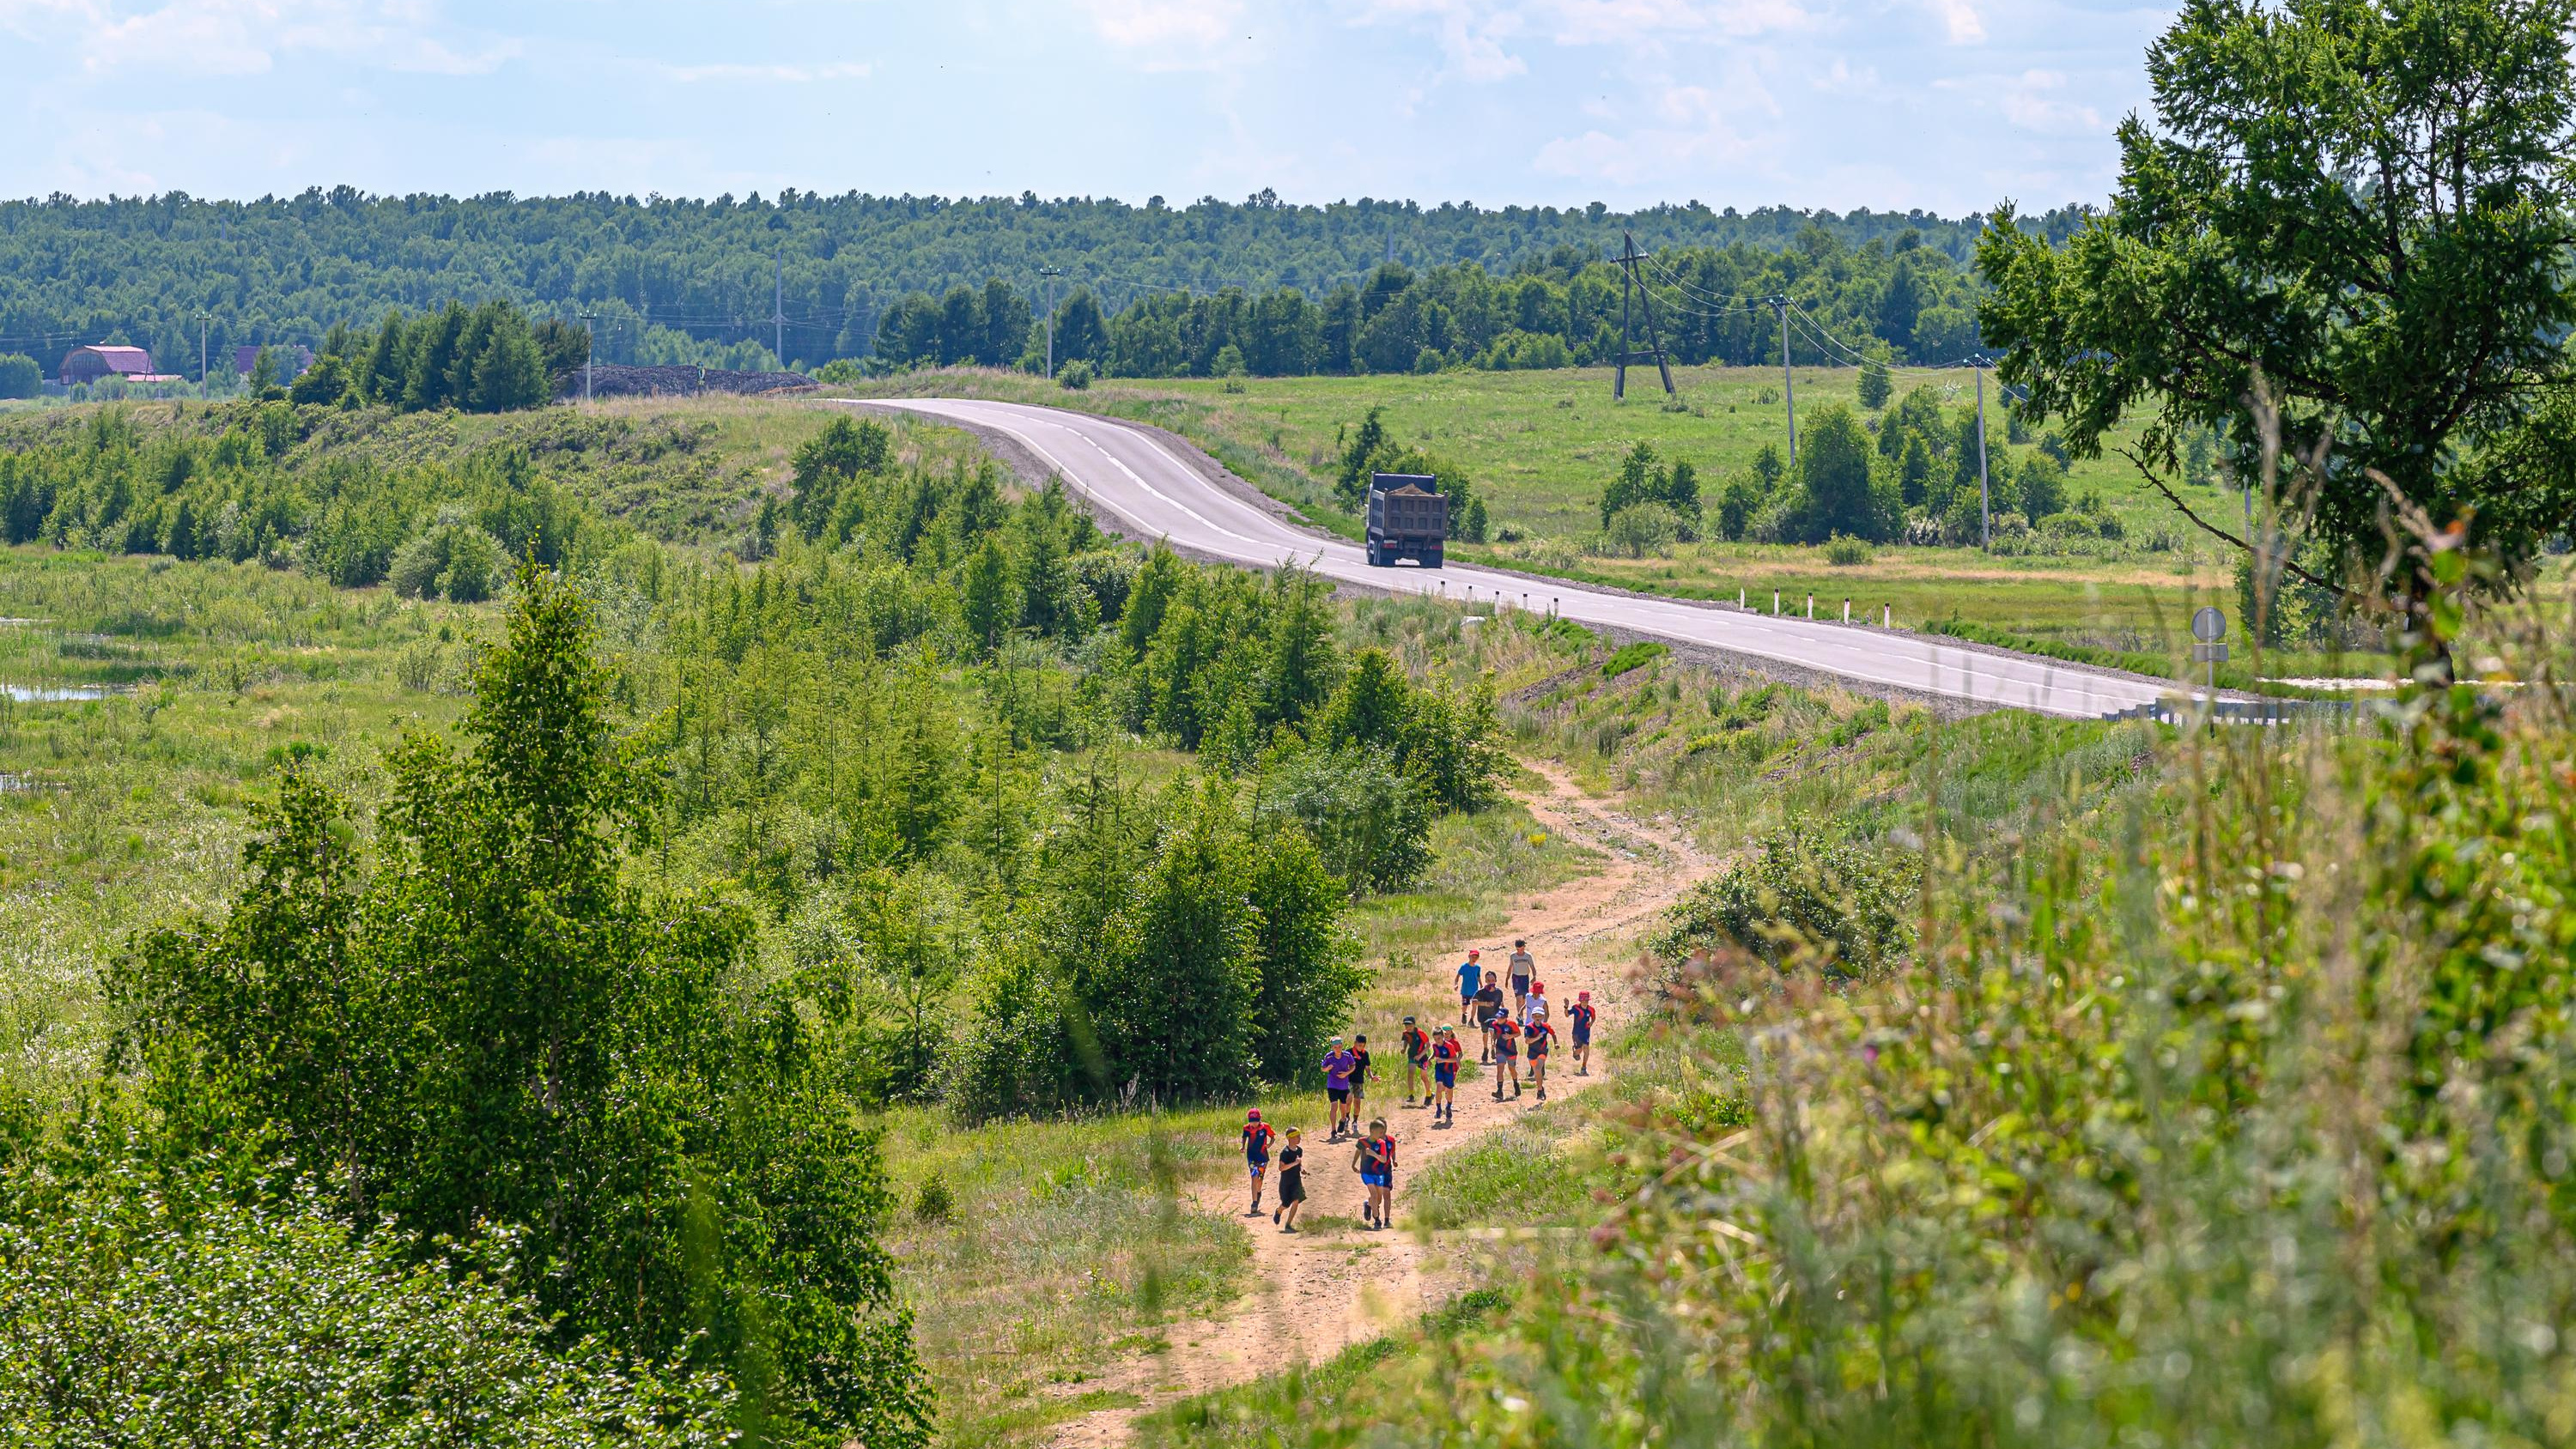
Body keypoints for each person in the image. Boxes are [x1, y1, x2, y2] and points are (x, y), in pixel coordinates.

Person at [1352, 1118, 1396, 1229]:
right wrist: (1353, 1164)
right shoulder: (1362, 1141)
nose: (1382, 1133)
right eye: (1380, 1131)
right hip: (1367, 1172)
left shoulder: (1384, 1142)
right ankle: (1378, 1221)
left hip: (1381, 1172)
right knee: (1375, 1194)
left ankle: (1369, 1204)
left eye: (1384, 1130)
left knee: (1378, 1199)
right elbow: (1358, 1151)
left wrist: (1373, 1154)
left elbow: (1385, 1157)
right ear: (1372, 1131)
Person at [1320, 1037, 1358, 1140]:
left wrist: (1346, 1073)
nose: (1338, 1049)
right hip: (1332, 1084)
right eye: (1335, 1047)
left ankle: (1343, 1119)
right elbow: (1323, 1068)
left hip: (1343, 1085)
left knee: (1343, 1106)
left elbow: (1353, 1066)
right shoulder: (1329, 1057)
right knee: (1334, 1106)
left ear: (1342, 1046)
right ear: (1332, 1047)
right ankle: (1333, 1130)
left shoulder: (1347, 1055)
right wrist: (1327, 1068)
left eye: (1339, 1046)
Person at [1241, 1109, 1277, 1215]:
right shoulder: (1246, 1128)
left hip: (1263, 1156)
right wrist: (1242, 1147)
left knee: (1260, 1179)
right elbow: (1244, 1137)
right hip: (1251, 1156)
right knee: (1254, 1176)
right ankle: (1254, 1202)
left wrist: (1269, 1145)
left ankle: (1258, 1193)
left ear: (1259, 1119)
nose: (1254, 1123)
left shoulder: (1265, 1127)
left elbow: (1272, 1137)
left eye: (1256, 1121)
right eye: (1252, 1121)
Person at [1272, 1128, 1307, 1232]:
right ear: (1290, 1138)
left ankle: (1288, 1225)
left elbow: (1299, 1163)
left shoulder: (1299, 1150)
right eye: (1298, 1136)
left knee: (1296, 1201)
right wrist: (1295, 1164)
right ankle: (1278, 1211)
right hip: (1286, 1183)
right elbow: (1281, 1168)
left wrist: (1301, 1168)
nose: (1300, 1138)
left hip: (1296, 1181)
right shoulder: (1285, 1152)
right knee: (1286, 1204)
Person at [1430, 1024, 1462, 1127]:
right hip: (1439, 1069)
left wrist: (1444, 1060)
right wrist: (1429, 1059)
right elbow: (1435, 1053)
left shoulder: (1449, 1046)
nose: (1437, 1041)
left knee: (1449, 1090)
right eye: (1435, 1039)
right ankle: (1439, 1109)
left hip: (1449, 1070)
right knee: (1439, 1088)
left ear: (1443, 1037)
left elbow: (1455, 1059)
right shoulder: (1434, 1046)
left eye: (1439, 1038)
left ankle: (1448, 1107)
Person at [1473, 971, 1506, 1064]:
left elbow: (1500, 1003)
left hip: (1494, 1015)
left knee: (1493, 1031)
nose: (1491, 982)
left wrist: (1503, 1013)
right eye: (1488, 980)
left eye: (1492, 980)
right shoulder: (1481, 992)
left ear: (1495, 980)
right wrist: (1485, 1004)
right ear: (1486, 981)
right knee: (1485, 1034)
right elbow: (1474, 1001)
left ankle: (1493, 1047)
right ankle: (1486, 1049)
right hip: (1483, 1016)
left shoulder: (1499, 992)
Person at [1490, 1011, 1522, 1100]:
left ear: (1505, 1018)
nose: (1499, 1019)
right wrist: (1493, 1044)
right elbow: (1494, 1035)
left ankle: (1516, 1084)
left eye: (1501, 1018)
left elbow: (1518, 1033)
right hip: (1500, 1049)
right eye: (1498, 1017)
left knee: (1512, 1068)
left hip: (1511, 1050)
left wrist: (1510, 1036)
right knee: (1500, 1069)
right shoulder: (1494, 1024)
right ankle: (1499, 1091)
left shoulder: (1511, 1024)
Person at [1400, 1016, 1431, 1106]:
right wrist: (1403, 1048)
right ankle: (1411, 1095)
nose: (1408, 1027)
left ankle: (1429, 1095)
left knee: (1424, 1077)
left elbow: (1428, 1045)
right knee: (1410, 1074)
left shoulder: (1420, 1033)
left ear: (1414, 1025)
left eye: (1410, 1025)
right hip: (1412, 1056)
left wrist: (1420, 1055)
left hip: (1423, 1057)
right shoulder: (1405, 1033)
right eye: (1406, 1026)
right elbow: (1405, 1041)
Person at [1523, 1014, 1556, 1101]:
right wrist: (1538, 1037)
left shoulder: (1546, 1026)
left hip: (1543, 1051)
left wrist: (1556, 1043)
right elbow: (1527, 1041)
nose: (1537, 1018)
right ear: (1532, 1017)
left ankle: (1539, 1091)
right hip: (1532, 1052)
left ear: (1542, 1017)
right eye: (1535, 1016)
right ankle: (1540, 1089)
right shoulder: (1529, 1027)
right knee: (1537, 1073)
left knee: (1538, 1069)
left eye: (1540, 1016)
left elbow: (1553, 1033)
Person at [1569, 990, 1598, 1076]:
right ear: (1580, 1000)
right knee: (1579, 1050)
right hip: (1576, 1033)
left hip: (1586, 1032)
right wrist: (1566, 1007)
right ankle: (1575, 1052)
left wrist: (1591, 1023)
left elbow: (1593, 1018)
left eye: (1586, 1000)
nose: (1585, 1002)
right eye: (1583, 1000)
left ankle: (1584, 1068)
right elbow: (1567, 1014)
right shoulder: (1576, 1008)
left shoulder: (1591, 1009)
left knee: (1586, 1048)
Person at [1455, 948, 1485, 1025]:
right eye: (1473, 957)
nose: (1474, 959)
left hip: (1475, 990)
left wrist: (1481, 984)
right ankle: (1464, 1014)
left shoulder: (1477, 968)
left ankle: (1471, 1020)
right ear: (1469, 956)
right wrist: (1456, 984)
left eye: (1476, 957)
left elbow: (1478, 976)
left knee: (1474, 1005)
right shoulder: (1464, 967)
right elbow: (1458, 976)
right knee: (1465, 1006)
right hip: (1465, 990)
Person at [1508, 939, 1535, 1015]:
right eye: (1518, 949)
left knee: (1524, 999)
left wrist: (1534, 976)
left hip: (1525, 978)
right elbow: (1510, 967)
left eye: (1522, 949)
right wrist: (1507, 979)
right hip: (1516, 978)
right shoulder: (1513, 956)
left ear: (1524, 947)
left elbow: (1532, 967)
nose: (1520, 951)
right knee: (1518, 999)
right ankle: (1520, 1016)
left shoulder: (1528, 956)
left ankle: (1521, 1013)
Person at [1349, 1033, 1372, 1114]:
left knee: (1357, 1103)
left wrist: (1372, 1077)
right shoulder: (1348, 1053)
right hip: (1348, 1080)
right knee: (1348, 1100)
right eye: (1359, 1045)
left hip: (1359, 1081)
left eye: (1363, 1045)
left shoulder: (1365, 1054)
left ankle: (1355, 1121)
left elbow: (1367, 1067)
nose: (1361, 1047)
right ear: (1355, 1043)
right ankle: (1347, 1118)